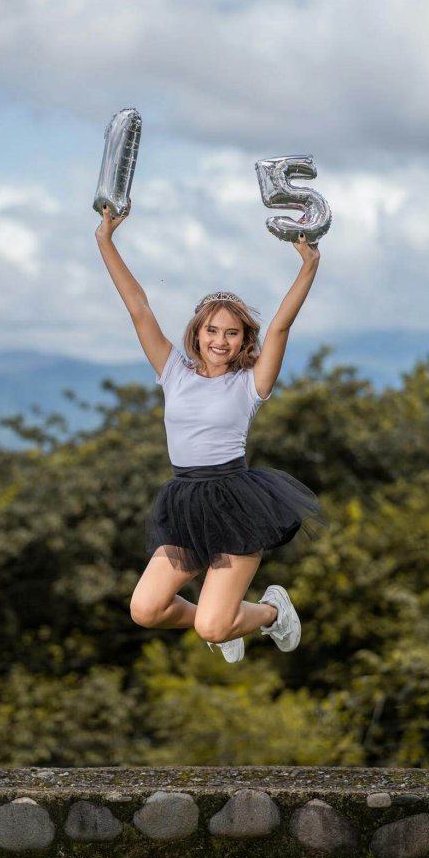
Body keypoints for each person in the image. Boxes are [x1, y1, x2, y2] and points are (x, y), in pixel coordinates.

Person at [95, 202, 324, 664]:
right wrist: (105, 241)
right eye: (213, 331)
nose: (221, 340)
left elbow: (281, 324)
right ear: (197, 333)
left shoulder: (250, 383)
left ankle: (268, 612)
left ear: (244, 340)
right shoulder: (172, 371)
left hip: (235, 502)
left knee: (213, 627)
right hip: (186, 502)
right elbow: (138, 307)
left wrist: (309, 265)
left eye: (233, 333)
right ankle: (224, 617)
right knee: (145, 609)